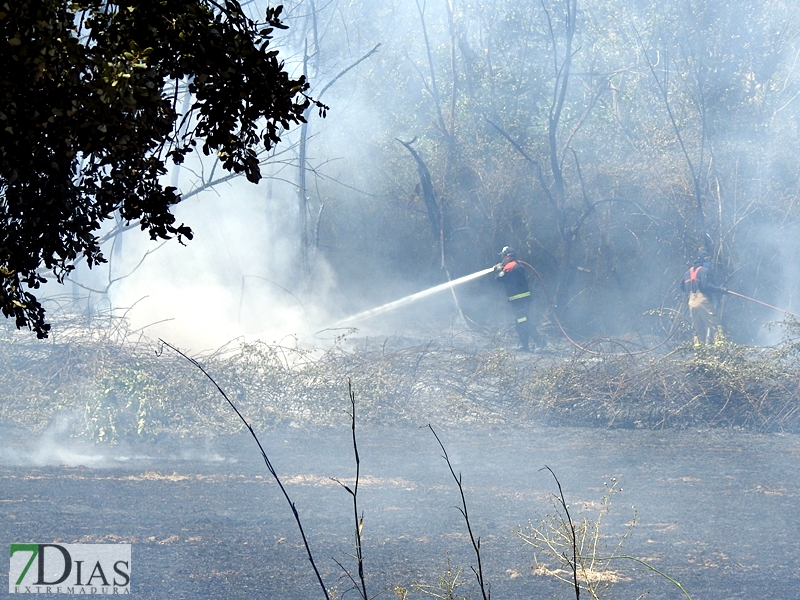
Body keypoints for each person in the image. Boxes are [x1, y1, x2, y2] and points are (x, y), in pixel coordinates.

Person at [494, 246, 546, 352]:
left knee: (523, 322)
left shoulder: (511, 266)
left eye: (503, 256)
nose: (502, 259)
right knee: (520, 323)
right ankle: (525, 346)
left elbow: (499, 278)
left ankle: (540, 342)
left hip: (520, 301)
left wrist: (500, 269)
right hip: (520, 300)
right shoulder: (515, 265)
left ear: (508, 256)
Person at [680, 253, 727, 345]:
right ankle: (721, 346)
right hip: (702, 300)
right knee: (714, 323)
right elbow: (707, 286)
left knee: (697, 326)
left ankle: (699, 349)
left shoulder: (687, 273)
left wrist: (689, 293)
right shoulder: (705, 271)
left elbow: (681, 286)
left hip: (691, 302)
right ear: (703, 260)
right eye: (708, 259)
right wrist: (720, 290)